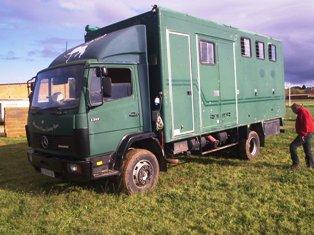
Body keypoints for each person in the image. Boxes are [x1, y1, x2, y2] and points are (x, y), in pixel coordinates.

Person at [289, 103, 314, 170]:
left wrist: (303, 134)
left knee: (292, 146)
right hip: (308, 133)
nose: (293, 112)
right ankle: (311, 165)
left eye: (293, 110)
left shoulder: (303, 112)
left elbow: (307, 123)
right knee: (307, 150)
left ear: (296, 108)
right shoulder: (302, 111)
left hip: (305, 133)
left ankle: (295, 164)